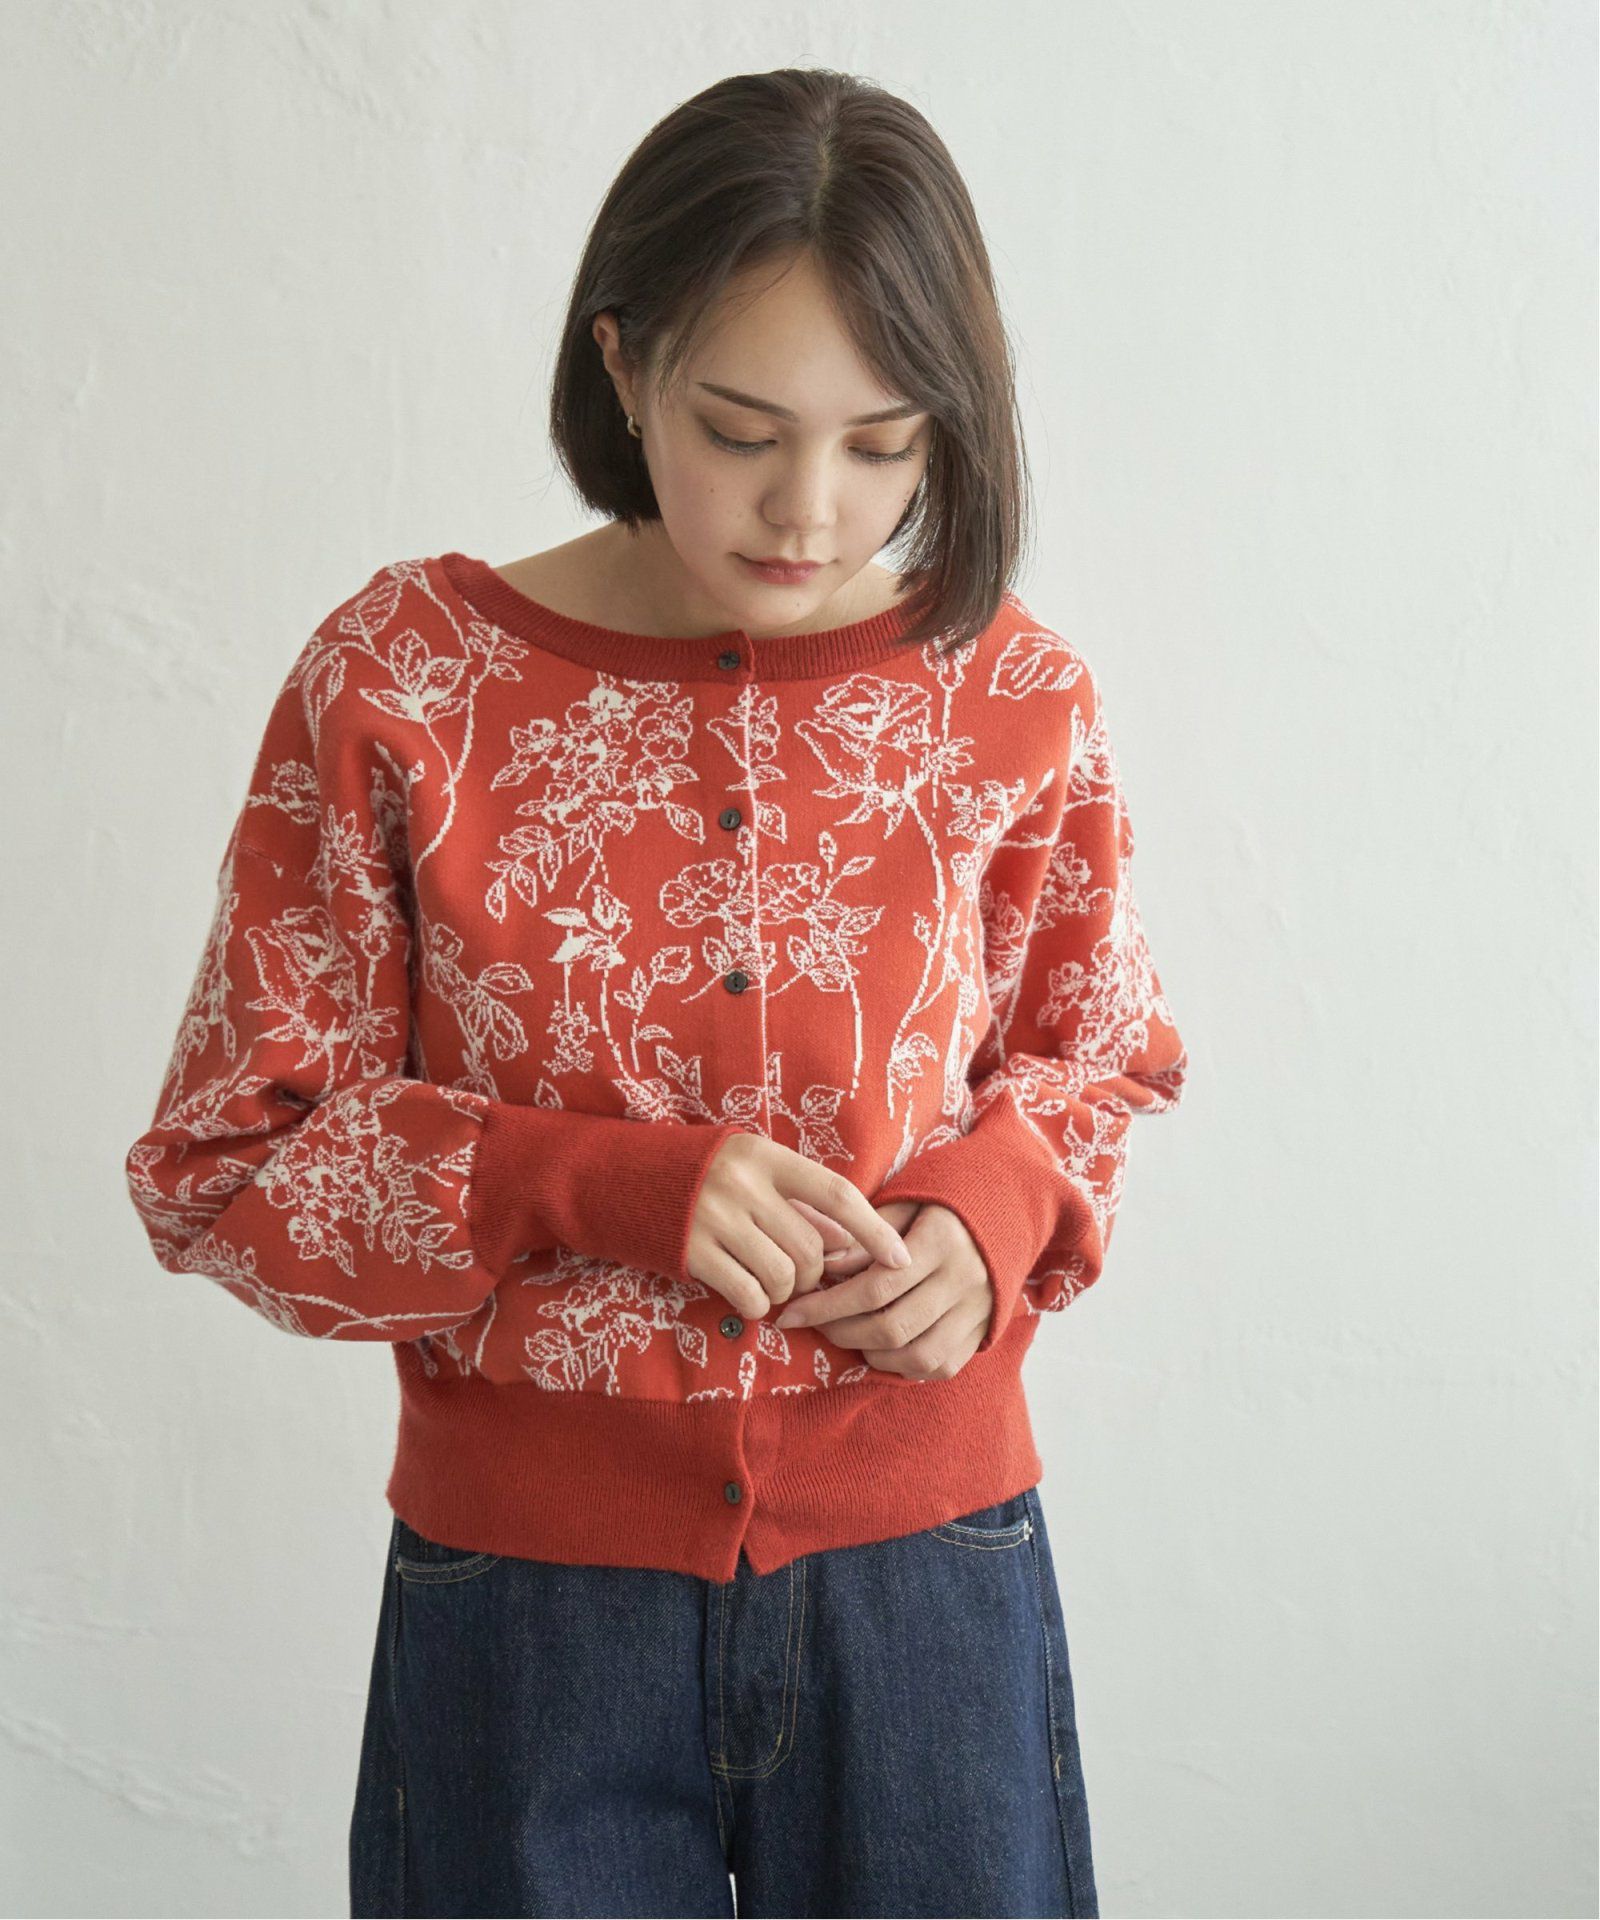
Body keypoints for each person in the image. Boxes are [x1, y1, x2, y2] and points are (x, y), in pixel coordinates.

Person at [123, 66, 1188, 1920]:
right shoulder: (407, 682)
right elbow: (225, 1167)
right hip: (528, 1621)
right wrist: (599, 1183)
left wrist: (995, 1210)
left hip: (930, 1591)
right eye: (739, 430)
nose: (810, 510)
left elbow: (1100, 1058)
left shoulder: (1012, 696)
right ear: (621, 367)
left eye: (886, 446)